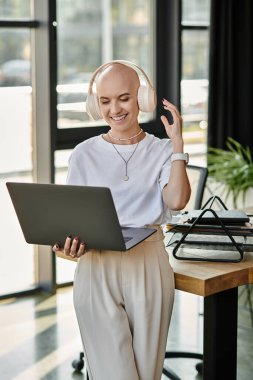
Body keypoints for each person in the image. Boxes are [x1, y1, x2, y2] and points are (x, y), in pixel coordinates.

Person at [53, 60, 191, 380]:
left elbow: (177, 201)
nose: (115, 108)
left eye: (124, 98)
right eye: (105, 101)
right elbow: (69, 222)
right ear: (95, 105)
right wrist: (65, 247)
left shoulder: (162, 150)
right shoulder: (83, 154)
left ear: (142, 99)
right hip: (96, 267)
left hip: (149, 265)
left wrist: (178, 146)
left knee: (146, 374)